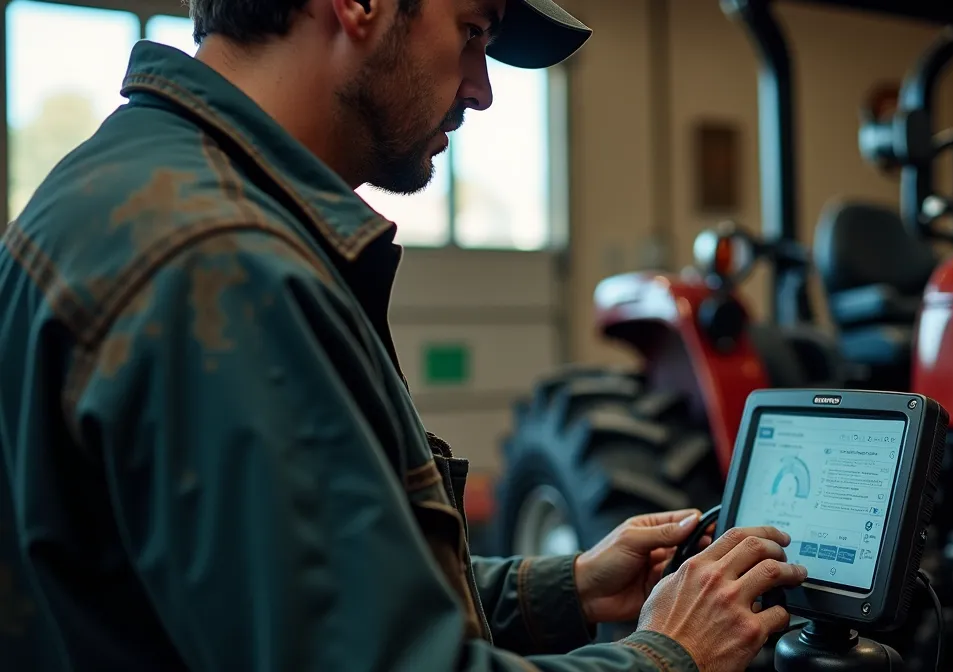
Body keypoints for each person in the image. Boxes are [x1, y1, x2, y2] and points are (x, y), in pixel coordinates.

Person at [0, 0, 809, 670]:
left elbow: (311, 595)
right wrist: (671, 655)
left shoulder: (130, 183)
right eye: (473, 31)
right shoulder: (224, 266)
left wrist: (574, 587)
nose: (483, 88)